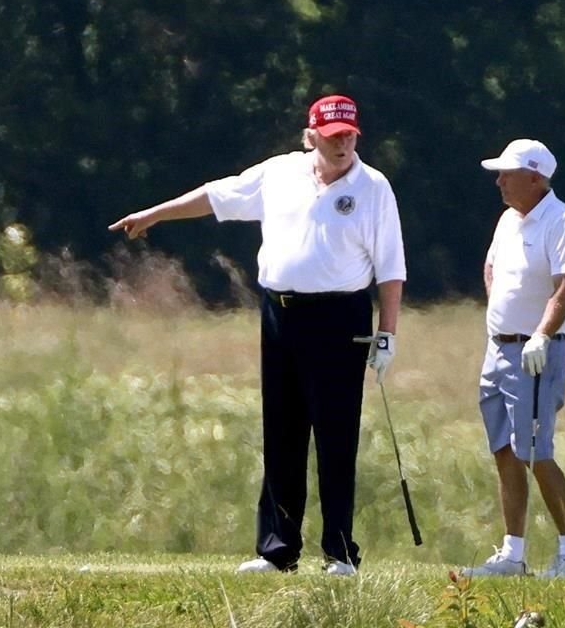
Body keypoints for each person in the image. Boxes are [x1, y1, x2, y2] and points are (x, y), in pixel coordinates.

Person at [108, 94, 406, 576]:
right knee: (282, 430)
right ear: (311, 137)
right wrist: (156, 213)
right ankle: (277, 548)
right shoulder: (280, 173)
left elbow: (391, 269)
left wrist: (387, 333)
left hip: (340, 317)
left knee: (335, 435)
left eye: (350, 135)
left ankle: (339, 552)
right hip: (280, 314)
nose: (343, 144)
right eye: (333, 137)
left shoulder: (373, 188)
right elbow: (216, 196)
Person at [461, 139, 565, 578]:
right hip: (498, 348)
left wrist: (540, 335)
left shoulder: (562, 220)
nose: (499, 181)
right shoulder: (507, 221)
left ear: (535, 177)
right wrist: (499, 309)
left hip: (537, 352)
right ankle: (512, 554)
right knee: (504, 451)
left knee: (534, 450)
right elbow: (491, 266)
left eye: (507, 173)